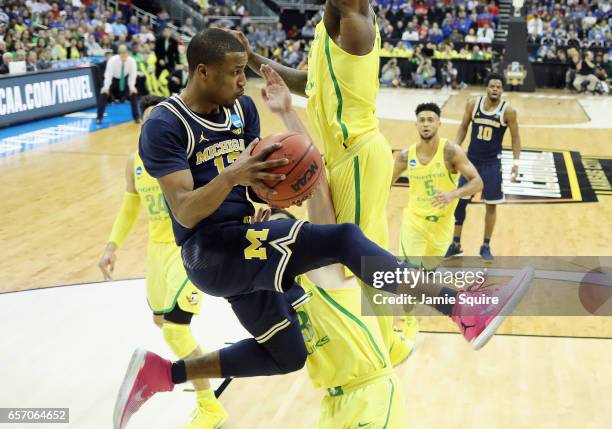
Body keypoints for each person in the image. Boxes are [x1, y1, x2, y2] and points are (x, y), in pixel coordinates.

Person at [113, 30, 534, 429]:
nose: (244, 81)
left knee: (288, 354)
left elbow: (257, 185)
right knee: (344, 239)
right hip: (210, 253)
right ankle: (462, 310)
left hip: (245, 241)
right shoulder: (165, 123)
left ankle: (165, 373)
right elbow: (185, 212)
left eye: (246, 69)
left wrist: (265, 197)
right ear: (202, 71)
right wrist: (236, 176)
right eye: (235, 72)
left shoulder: (241, 111)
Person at [232, 0, 418, 364]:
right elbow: (309, 84)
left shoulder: (354, 18)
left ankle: (387, 348)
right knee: (359, 256)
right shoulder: (325, 29)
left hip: (358, 152)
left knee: (357, 264)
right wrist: (254, 59)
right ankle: (391, 343)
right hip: (342, 156)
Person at [99, 95, 227, 429]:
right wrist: (112, 246)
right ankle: (197, 366)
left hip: (188, 248)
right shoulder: (134, 162)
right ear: (141, 124)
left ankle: (209, 406)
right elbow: (129, 208)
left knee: (175, 330)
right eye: (148, 119)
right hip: (156, 252)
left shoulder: (183, 154)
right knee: (163, 323)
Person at [393, 102, 482, 269]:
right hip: (414, 223)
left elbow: (478, 182)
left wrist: (453, 194)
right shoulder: (406, 156)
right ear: (416, 124)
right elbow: (385, 183)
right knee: (410, 275)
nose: (426, 124)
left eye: (430, 120)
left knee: (427, 277)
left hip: (441, 226)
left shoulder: (451, 152)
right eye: (422, 120)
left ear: (439, 123)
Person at [446, 73, 522, 260]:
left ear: (502, 90)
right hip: (470, 162)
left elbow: (515, 137)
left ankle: (485, 246)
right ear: (487, 88)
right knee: (460, 203)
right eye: (492, 86)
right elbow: (463, 126)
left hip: (492, 164)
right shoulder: (473, 104)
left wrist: (516, 162)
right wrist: (456, 148)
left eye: (498, 87)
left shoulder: (508, 111)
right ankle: (455, 244)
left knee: (491, 205)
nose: (495, 89)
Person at [96, 44, 140, 125]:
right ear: (119, 54)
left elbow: (132, 75)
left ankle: (136, 117)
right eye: (122, 54)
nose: (124, 56)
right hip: (114, 80)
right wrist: (106, 87)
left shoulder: (132, 61)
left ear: (128, 53)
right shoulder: (112, 61)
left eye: (125, 53)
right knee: (103, 93)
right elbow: (108, 75)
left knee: (134, 93)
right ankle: (99, 117)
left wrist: (132, 87)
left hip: (125, 80)